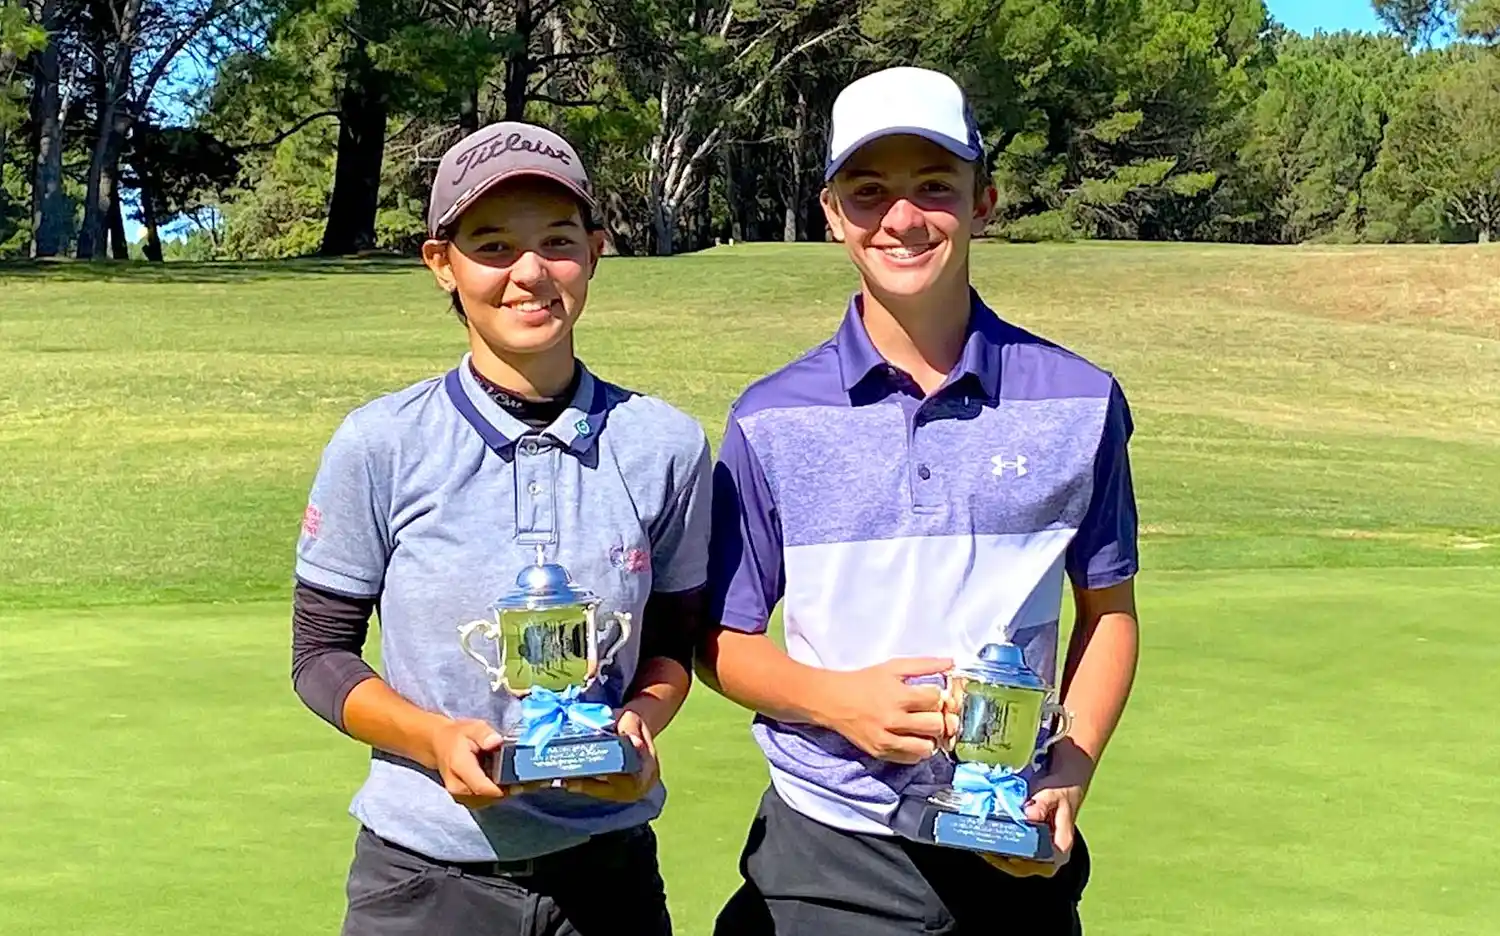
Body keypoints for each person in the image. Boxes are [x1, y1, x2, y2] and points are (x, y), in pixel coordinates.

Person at [700, 66, 1141, 935]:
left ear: (985, 202)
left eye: (934, 187)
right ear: (832, 216)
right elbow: (720, 640)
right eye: (868, 194)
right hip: (829, 851)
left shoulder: (1083, 399)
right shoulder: (772, 417)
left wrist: (1071, 767)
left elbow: (1111, 613)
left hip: (1012, 845)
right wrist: (838, 702)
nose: (902, 219)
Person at [290, 121, 711, 936]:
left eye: (557, 242)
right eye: (491, 245)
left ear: (594, 251)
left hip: (609, 875)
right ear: (441, 263)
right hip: (422, 882)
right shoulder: (381, 443)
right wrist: (431, 738)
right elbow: (319, 657)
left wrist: (639, 727)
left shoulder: (665, 443)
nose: (529, 274)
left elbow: (672, 641)